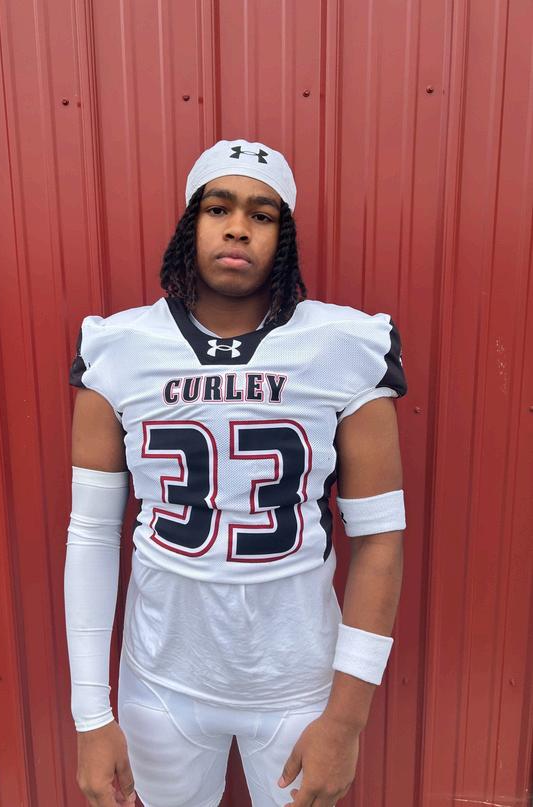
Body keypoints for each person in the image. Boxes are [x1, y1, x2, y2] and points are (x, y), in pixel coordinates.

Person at [64, 138, 407, 807]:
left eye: (262, 213)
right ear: (190, 224)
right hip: (160, 680)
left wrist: (346, 719)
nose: (238, 227)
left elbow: (379, 540)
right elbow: (92, 534)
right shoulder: (120, 348)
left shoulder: (343, 346)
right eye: (218, 208)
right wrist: (90, 716)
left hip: (298, 684)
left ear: (284, 236)